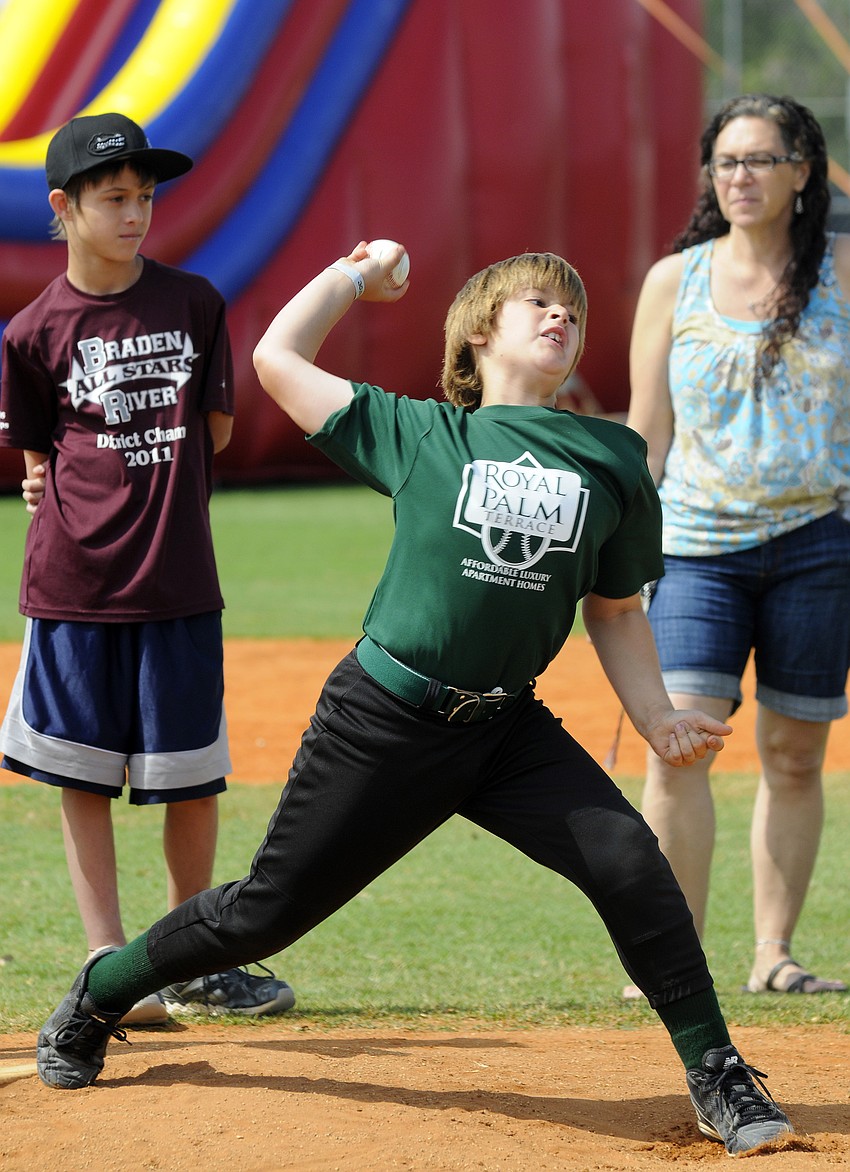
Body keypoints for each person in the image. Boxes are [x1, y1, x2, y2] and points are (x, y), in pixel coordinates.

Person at [35, 243, 794, 1156]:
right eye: (539, 305)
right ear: (479, 336)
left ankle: (718, 1072)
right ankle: (104, 988)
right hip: (383, 720)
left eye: (574, 312)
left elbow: (618, 611)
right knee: (263, 914)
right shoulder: (425, 432)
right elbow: (276, 359)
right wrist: (354, 275)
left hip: (505, 728)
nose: (563, 320)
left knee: (630, 859)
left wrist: (658, 718)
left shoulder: (613, 455)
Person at [0, 112, 294, 1024]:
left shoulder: (194, 302)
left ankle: (187, 958)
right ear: (65, 205)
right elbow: (40, 459)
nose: (136, 214)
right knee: (83, 776)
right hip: (75, 585)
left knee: (190, 776)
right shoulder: (32, 332)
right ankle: (107, 964)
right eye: (114, 198)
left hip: (175, 581)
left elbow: (215, 433)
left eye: (145, 196)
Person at [625, 93, 849, 999]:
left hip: (819, 544)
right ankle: (672, 967)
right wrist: (624, 547)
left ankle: (773, 955)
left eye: (761, 159)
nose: (741, 177)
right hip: (693, 548)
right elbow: (645, 429)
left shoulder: (844, 272)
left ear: (804, 171)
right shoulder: (671, 280)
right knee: (680, 748)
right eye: (726, 161)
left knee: (795, 756)